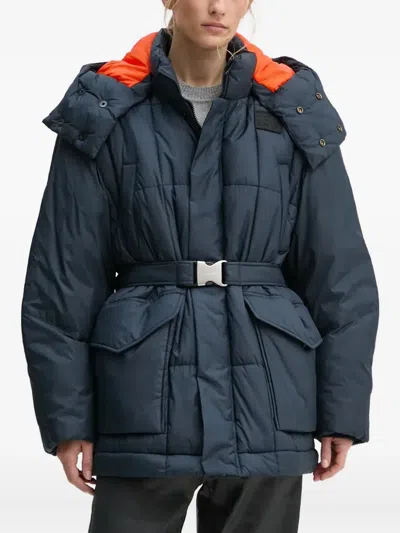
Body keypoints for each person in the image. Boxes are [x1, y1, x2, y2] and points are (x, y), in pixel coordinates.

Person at [21, 1, 379, 532]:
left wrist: (340, 411)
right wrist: (68, 419)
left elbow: (340, 276)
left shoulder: (293, 109)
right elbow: (62, 278)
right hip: (141, 401)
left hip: (269, 399)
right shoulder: (105, 109)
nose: (217, 6)